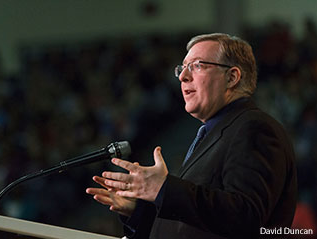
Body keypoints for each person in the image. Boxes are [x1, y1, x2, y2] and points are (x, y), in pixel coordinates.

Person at [86, 33, 297, 239]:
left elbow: (248, 218)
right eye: (182, 68)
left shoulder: (254, 128)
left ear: (232, 77)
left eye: (197, 65)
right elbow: (195, 222)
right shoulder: (212, 135)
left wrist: (164, 190)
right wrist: (141, 210)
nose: (182, 76)